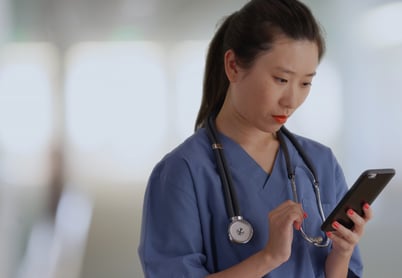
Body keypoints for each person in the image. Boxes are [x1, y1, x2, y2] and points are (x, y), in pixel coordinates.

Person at [138, 0, 373, 277]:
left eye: (306, 82)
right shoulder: (183, 171)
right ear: (233, 66)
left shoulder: (320, 164)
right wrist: (269, 257)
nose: (292, 100)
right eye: (281, 79)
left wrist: (342, 253)